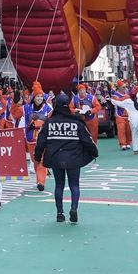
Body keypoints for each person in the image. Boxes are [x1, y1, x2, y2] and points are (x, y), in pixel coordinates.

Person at [34, 93, 99, 223]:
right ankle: (74, 208)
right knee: (74, 185)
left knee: (59, 186)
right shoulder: (77, 122)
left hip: (55, 158)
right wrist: (94, 153)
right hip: (74, 158)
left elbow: (40, 141)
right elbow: (87, 140)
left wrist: (37, 156)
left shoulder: (49, 123)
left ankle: (59, 213)